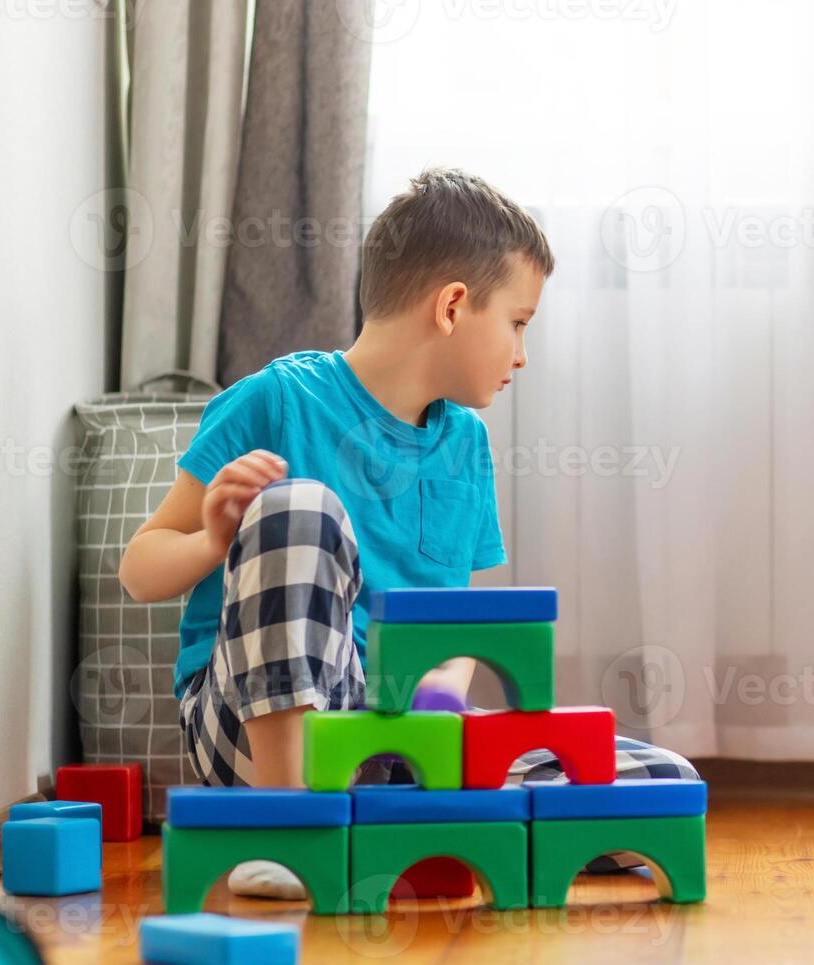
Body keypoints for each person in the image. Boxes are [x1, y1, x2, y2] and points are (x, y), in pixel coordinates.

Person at [120, 168, 697, 895]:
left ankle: (391, 826)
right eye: (518, 324)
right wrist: (211, 539)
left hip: (382, 734)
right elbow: (140, 569)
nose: (522, 353)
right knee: (301, 507)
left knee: (658, 783)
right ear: (453, 306)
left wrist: (440, 722)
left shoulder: (466, 446)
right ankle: (289, 827)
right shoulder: (272, 401)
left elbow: (445, 634)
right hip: (251, 732)